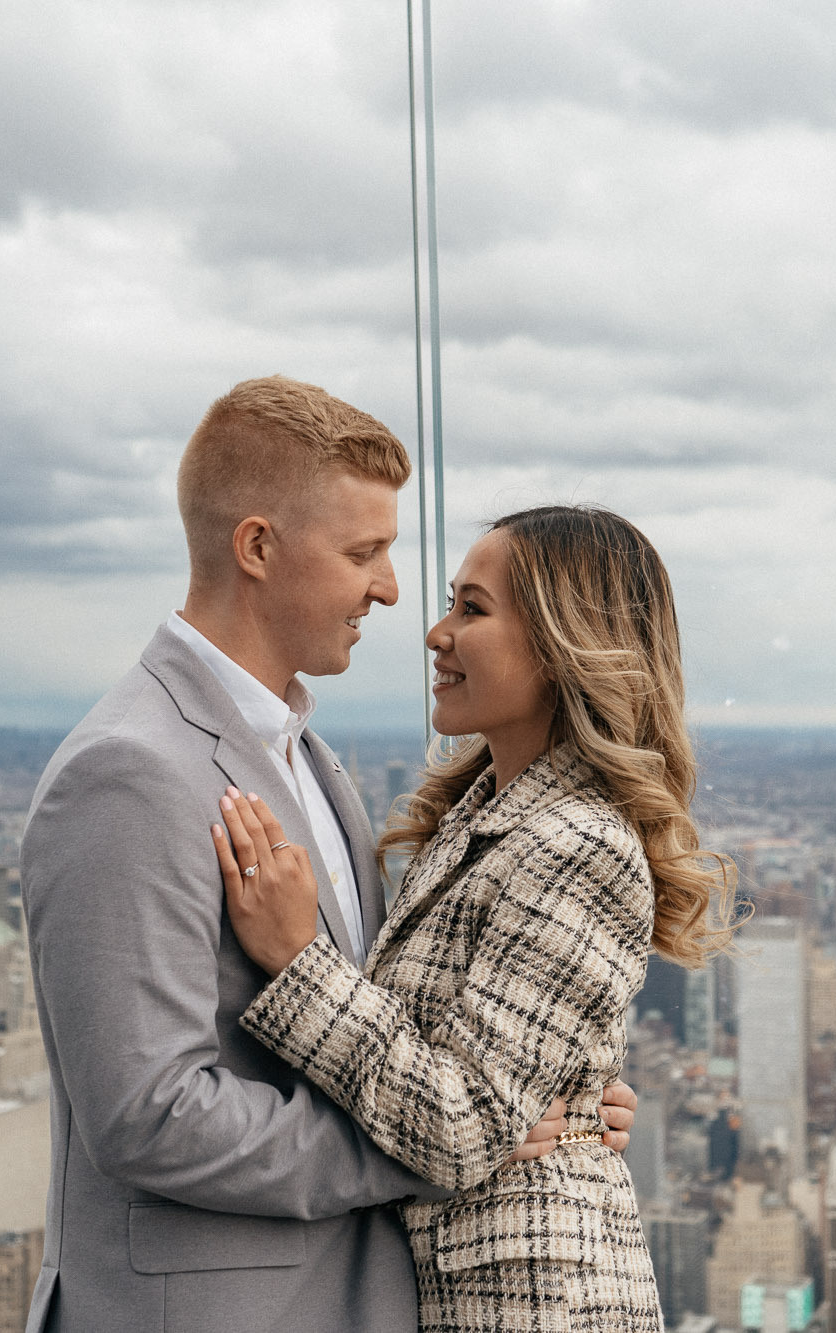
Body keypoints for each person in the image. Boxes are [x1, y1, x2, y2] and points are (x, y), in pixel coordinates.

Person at [19, 378, 638, 1332]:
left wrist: (549, 1092)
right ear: (258, 546)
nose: (390, 590)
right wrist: (450, 1142)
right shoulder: (128, 772)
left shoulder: (309, 758)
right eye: (365, 552)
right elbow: (147, 1113)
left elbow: (396, 1026)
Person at [216, 504, 734, 1332]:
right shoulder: (483, 817)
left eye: (473, 609)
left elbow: (460, 1127)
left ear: (564, 645)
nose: (435, 632)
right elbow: (472, 1083)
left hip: (535, 1306)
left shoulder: (578, 842)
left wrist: (296, 957)